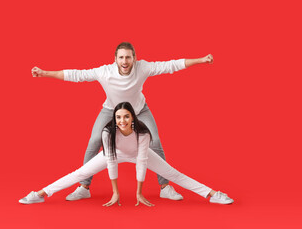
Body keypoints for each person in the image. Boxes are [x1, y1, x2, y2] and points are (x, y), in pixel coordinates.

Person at [31, 42, 214, 201]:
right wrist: (45, 73)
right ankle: (84, 187)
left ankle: (165, 187)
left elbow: (170, 65)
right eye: (121, 58)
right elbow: (76, 75)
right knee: (95, 140)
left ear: (134, 58)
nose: (124, 62)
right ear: (115, 59)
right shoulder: (105, 72)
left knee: (155, 140)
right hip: (111, 110)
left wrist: (199, 60)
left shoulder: (142, 68)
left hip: (139, 111)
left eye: (128, 57)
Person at [19, 102, 234, 206]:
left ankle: (212, 194)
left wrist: (139, 193)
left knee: (174, 174)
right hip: (114, 153)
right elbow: (111, 161)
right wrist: (116, 192)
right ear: (115, 118)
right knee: (79, 174)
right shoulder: (107, 132)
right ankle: (40, 194)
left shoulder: (143, 133)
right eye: (118, 117)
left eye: (126, 116)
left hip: (140, 153)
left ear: (133, 117)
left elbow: (141, 163)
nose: (122, 120)